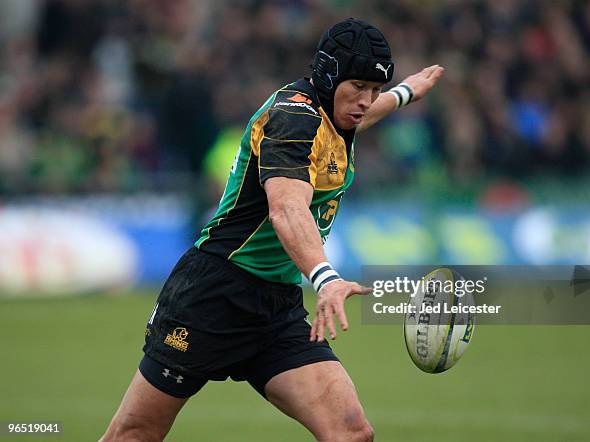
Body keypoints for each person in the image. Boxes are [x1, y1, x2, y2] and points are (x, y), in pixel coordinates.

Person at [101, 18, 444, 442]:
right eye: (358, 86)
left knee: (351, 432)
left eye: (373, 89)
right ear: (329, 74)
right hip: (214, 294)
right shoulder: (293, 118)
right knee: (134, 434)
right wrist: (326, 277)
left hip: (275, 309)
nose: (364, 101)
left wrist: (403, 93)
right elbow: (286, 209)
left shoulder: (338, 115)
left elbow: (365, 113)